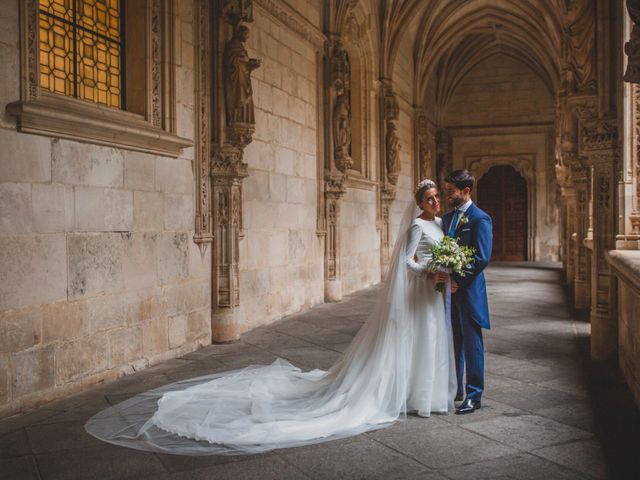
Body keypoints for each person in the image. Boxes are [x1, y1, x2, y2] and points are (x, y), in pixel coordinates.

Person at [85, 179, 456, 455]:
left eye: (437, 196)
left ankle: (421, 395)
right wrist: (427, 271)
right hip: (420, 288)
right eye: (429, 198)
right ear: (419, 203)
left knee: (428, 342)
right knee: (413, 340)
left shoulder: (439, 225)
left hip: (430, 297)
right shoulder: (416, 226)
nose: (435, 201)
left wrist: (444, 272)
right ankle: (402, 394)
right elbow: (407, 262)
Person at [442, 170, 492, 415]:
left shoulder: (480, 219)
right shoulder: (448, 218)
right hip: (449, 291)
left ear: (466, 191)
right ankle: (457, 389)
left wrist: (458, 281)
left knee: (472, 343)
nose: (447, 195)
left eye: (451, 191)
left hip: (469, 291)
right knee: (454, 341)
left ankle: (474, 395)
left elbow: (481, 258)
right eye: (447, 190)